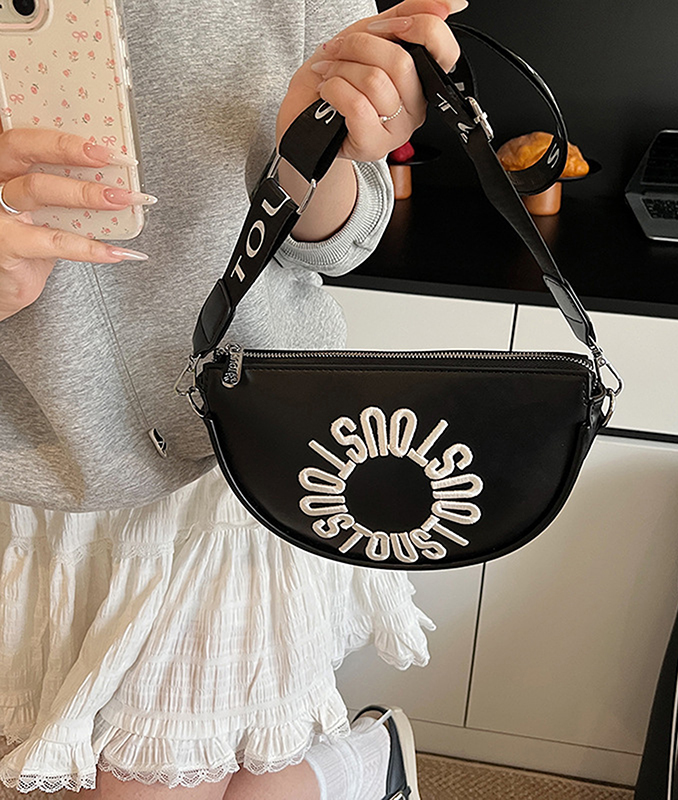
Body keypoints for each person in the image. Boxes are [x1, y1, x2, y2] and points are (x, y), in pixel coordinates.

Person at [0, 0, 465, 796]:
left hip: (233, 446)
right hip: (26, 457)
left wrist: (313, 148)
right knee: (55, 768)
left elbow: (343, 240)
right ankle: (362, 768)